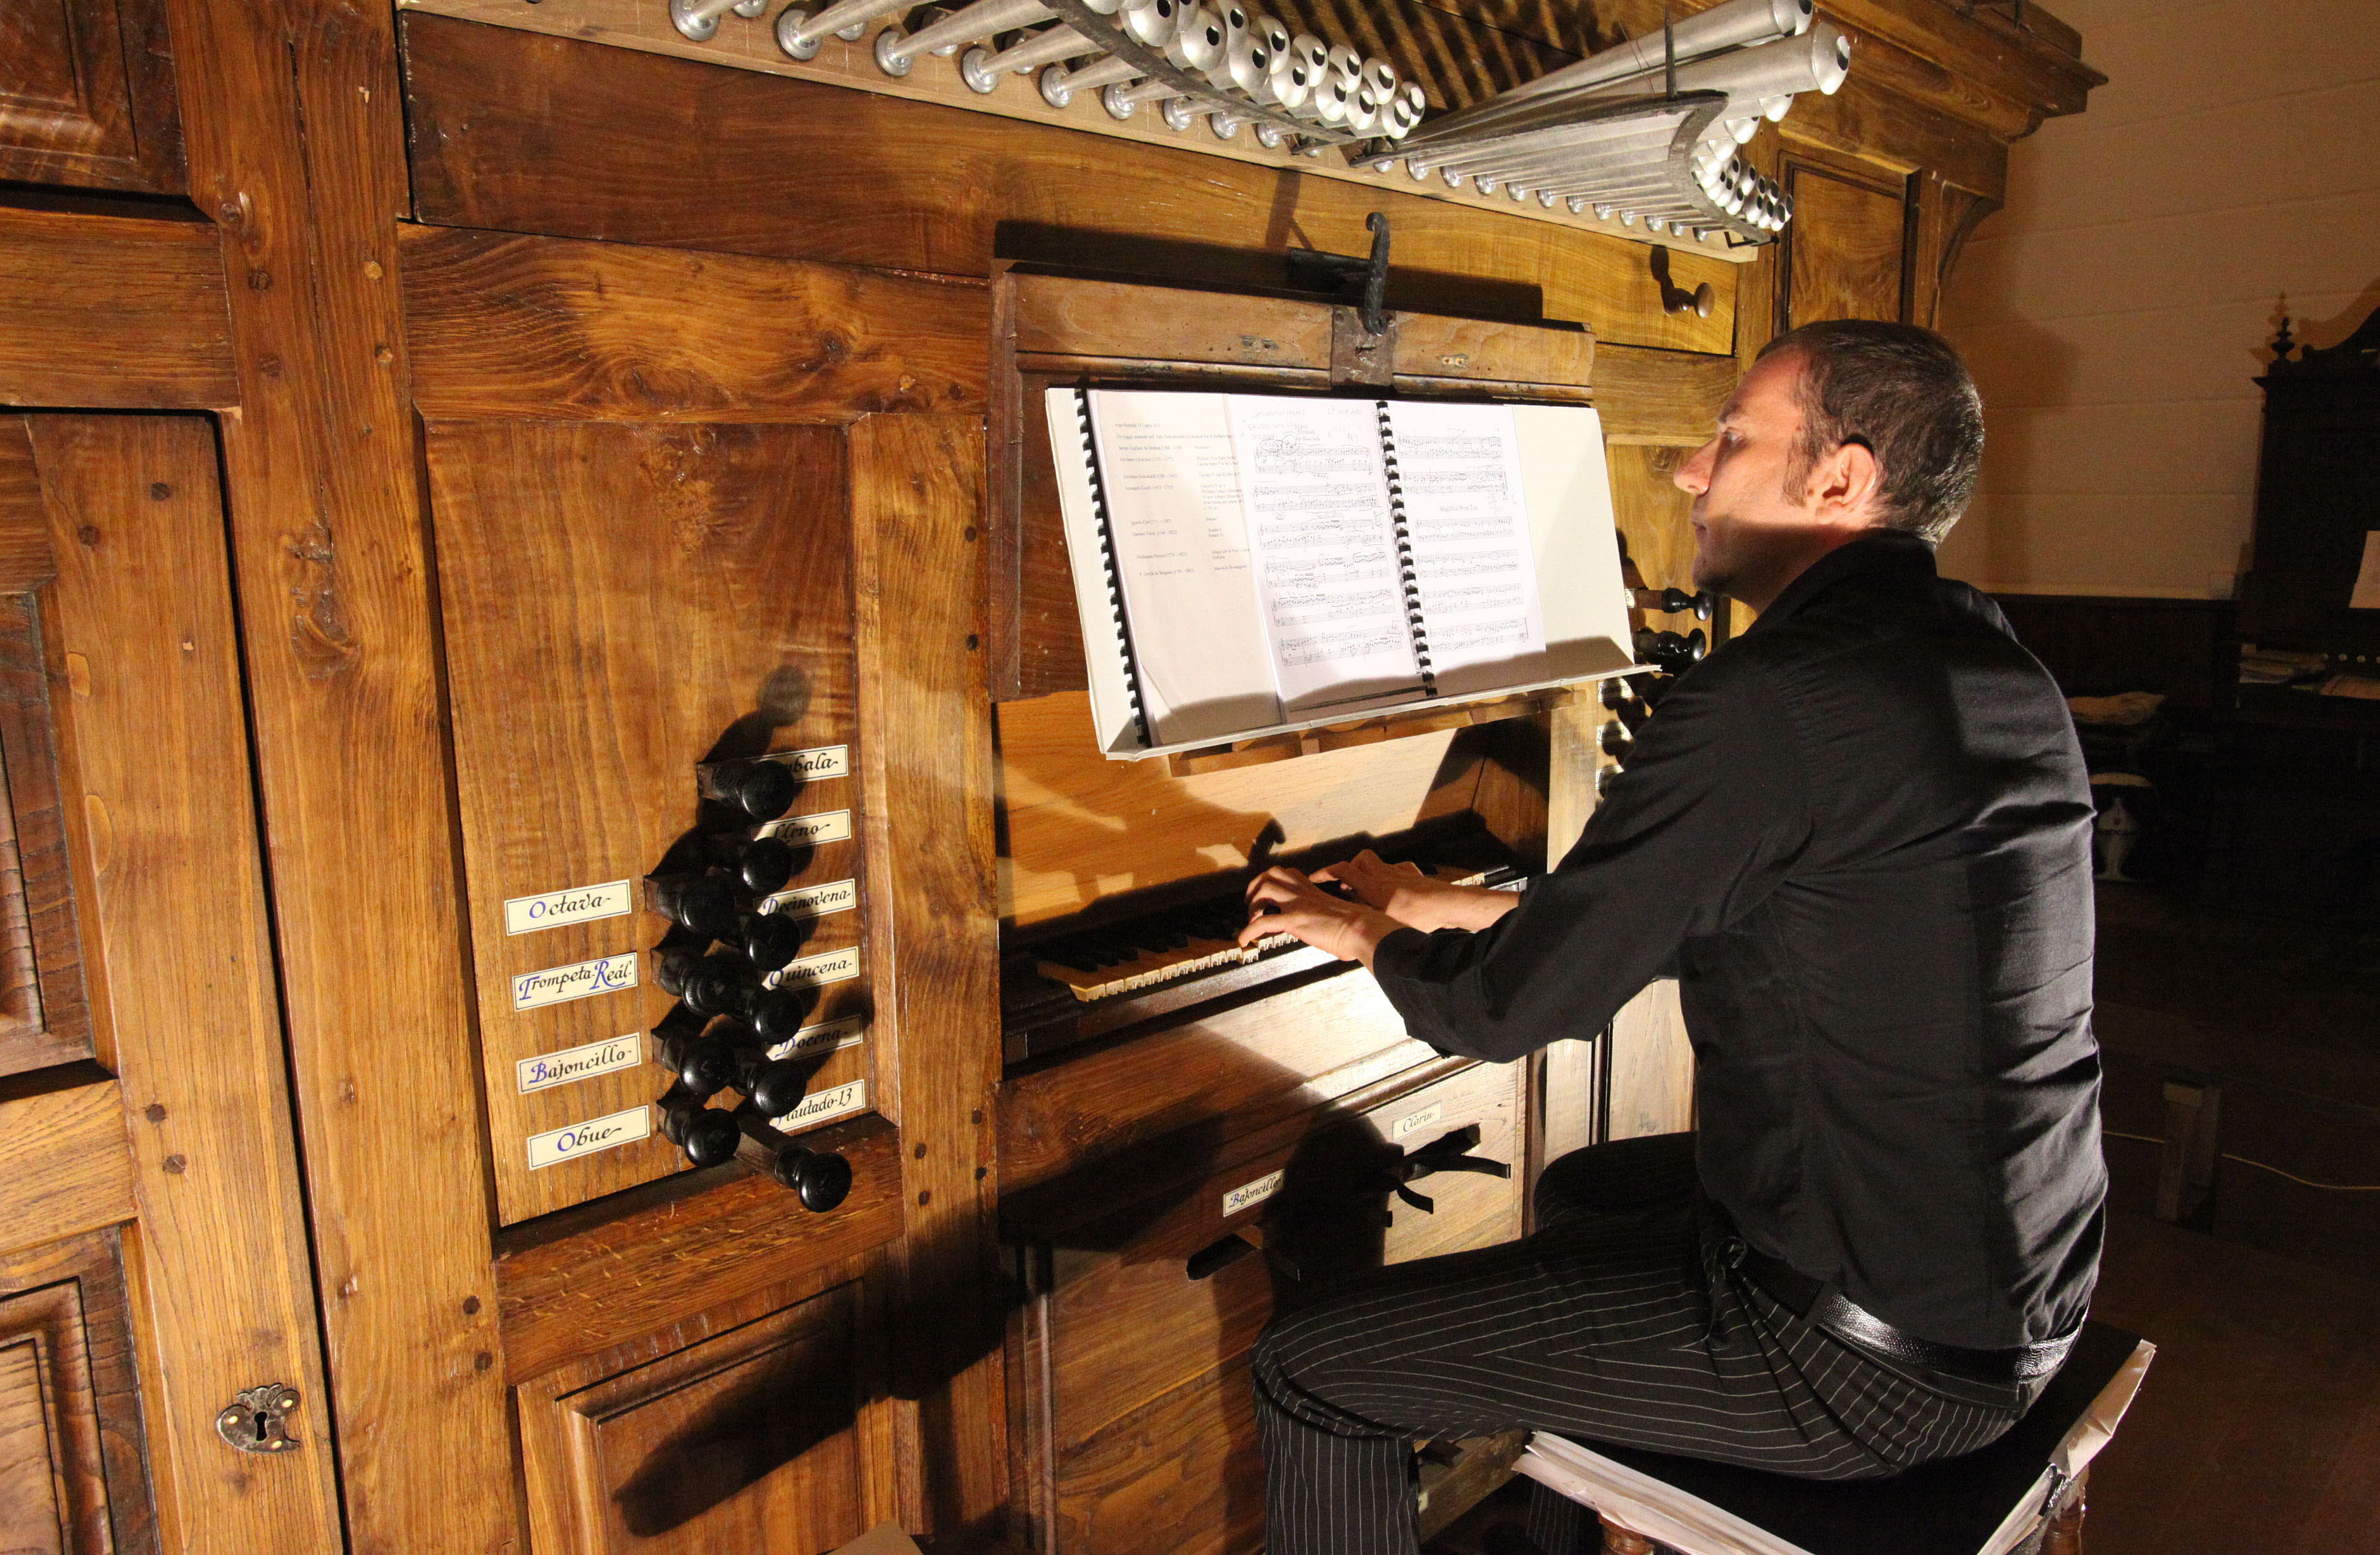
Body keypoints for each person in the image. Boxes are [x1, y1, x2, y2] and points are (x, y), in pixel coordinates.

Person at [1234, 320, 2107, 1555]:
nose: (1691, 470)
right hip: (2015, 1281)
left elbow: (1499, 1017)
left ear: (1840, 479)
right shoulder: (1984, 661)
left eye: (1733, 438)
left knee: (1309, 1367)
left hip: (1873, 1365)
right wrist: (1439, 907)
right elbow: (1759, 918)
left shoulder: (1770, 698)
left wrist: (1361, 937)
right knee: (1586, 1190)